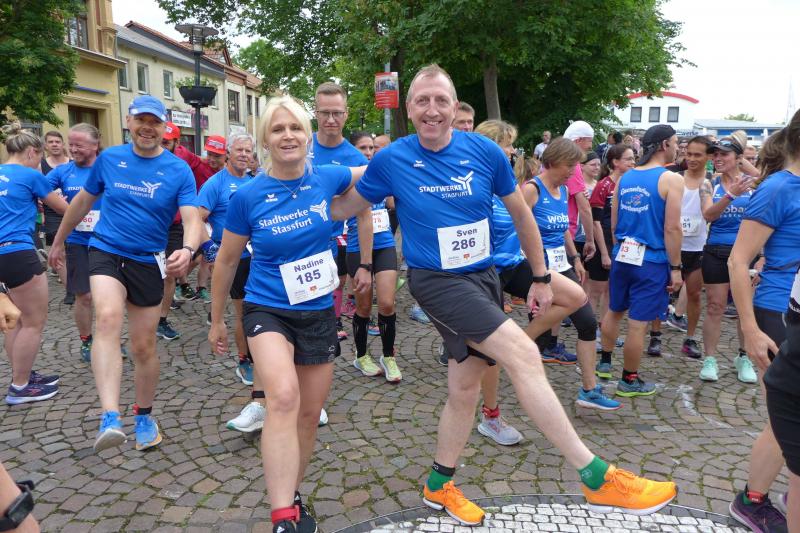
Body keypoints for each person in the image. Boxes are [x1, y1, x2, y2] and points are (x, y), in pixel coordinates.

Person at [331, 64, 677, 526]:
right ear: (409, 109)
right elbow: (345, 206)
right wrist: (303, 185)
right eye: (422, 101)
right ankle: (596, 476)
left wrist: (540, 276)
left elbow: (520, 213)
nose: (432, 110)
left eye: (440, 100)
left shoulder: (484, 152)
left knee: (464, 388)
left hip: (484, 275)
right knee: (524, 355)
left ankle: (439, 484)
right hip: (437, 282)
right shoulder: (393, 158)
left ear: (455, 106)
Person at [208, 95, 369, 533]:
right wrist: (217, 319)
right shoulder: (248, 196)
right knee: (281, 397)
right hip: (267, 308)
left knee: (308, 416)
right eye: (278, 129)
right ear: (265, 140)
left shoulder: (327, 177)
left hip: (317, 311)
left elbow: (375, 173)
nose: (287, 135)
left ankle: (292, 495)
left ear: (308, 136)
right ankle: (281, 517)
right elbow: (226, 260)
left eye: (295, 127)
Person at [49, 95, 203, 453]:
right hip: (106, 250)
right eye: (141, 121)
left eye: (155, 122)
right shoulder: (110, 159)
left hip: (148, 260)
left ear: (164, 128)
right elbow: (82, 203)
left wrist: (187, 248)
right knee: (106, 317)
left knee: (143, 347)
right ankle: (110, 416)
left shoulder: (178, 170)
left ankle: (144, 416)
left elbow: (192, 217)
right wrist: (58, 242)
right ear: (129, 123)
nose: (147, 128)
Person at [728, 120, 800, 532]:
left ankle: (793, 492)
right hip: (777, 312)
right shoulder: (777, 189)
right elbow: (739, 261)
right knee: (785, 416)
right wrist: (751, 330)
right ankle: (752, 501)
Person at [523, 137, 620, 410]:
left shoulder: (563, 190)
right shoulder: (532, 189)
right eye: (570, 166)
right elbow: (516, 226)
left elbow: (563, 227)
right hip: (539, 268)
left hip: (562, 264)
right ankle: (515, 353)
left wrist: (575, 257)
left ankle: (589, 389)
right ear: (553, 162)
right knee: (541, 331)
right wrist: (531, 268)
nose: (573, 172)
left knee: (587, 323)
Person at [599, 124, 684, 397]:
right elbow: (672, 228)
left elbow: (614, 223)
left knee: (614, 310)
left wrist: (619, 248)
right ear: (664, 145)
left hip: (623, 253)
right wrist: (676, 268)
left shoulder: (625, 178)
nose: (677, 147)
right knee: (638, 323)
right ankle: (629, 379)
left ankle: (605, 362)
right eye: (675, 142)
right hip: (651, 259)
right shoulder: (671, 179)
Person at [0, 124, 67, 405]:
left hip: (2, 254)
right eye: (39, 157)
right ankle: (20, 386)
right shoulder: (30, 175)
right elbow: (63, 208)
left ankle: (23, 374)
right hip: (19, 252)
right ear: (31, 152)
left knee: (16, 320)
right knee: (32, 322)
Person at [310, 82, 370, 341]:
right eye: (325, 113)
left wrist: (366, 264)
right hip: (294, 244)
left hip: (329, 247)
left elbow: (364, 215)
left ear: (346, 113)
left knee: (320, 320)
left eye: (337, 113)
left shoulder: (356, 160)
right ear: (316, 113)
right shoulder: (301, 146)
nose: (331, 119)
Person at [697, 131, 757, 383]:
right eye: (715, 155)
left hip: (746, 254)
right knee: (715, 307)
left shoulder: (754, 183)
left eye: (724, 154)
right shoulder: (709, 183)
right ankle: (710, 359)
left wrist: (743, 165)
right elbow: (708, 215)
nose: (717, 159)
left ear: (738, 158)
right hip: (717, 251)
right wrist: (730, 194)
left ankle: (744, 357)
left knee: (745, 310)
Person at [345, 133, 402, 382]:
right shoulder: (347, 177)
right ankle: (361, 355)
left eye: (371, 148)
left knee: (387, 303)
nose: (368, 152)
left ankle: (388, 356)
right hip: (357, 248)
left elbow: (391, 204)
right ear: (353, 149)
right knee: (364, 307)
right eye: (363, 148)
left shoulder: (381, 172)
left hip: (385, 243)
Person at [45, 123, 103, 363]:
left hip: (108, 242)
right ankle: (87, 340)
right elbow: (38, 189)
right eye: (71, 144)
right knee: (84, 296)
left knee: (110, 297)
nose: (74, 149)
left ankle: (108, 339)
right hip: (78, 241)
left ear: (95, 145)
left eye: (79, 145)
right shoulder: (63, 172)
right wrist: (54, 201)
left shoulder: (108, 169)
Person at [664, 136, 714, 359]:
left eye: (697, 155)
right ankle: (655, 336)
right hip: (671, 245)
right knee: (661, 292)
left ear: (708, 157)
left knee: (693, 294)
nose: (691, 158)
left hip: (697, 247)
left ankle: (690, 338)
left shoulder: (710, 182)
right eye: (689, 153)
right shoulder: (674, 178)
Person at [587, 144, 635, 369]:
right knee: (596, 290)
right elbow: (596, 222)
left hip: (621, 243)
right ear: (615, 162)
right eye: (628, 159)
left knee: (611, 291)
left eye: (634, 158)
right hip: (603, 242)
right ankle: (589, 331)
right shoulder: (604, 185)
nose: (633, 163)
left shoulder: (630, 184)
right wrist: (604, 252)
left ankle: (606, 330)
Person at [40, 130, 72, 304]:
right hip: (52, 212)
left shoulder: (72, 163)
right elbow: (37, 188)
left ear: (62, 144)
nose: (54, 144)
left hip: (73, 210)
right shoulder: (41, 165)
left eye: (57, 141)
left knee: (74, 248)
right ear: (46, 145)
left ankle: (79, 281)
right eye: (51, 142)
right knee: (59, 251)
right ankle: (70, 290)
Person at [562, 121, 596, 261]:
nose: (590, 146)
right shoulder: (572, 163)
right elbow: (584, 207)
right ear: (578, 140)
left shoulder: (552, 160)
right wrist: (590, 240)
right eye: (589, 141)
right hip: (565, 234)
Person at [574, 151, 601, 280]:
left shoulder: (599, 185)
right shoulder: (577, 186)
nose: (597, 167)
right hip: (577, 234)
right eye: (593, 164)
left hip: (594, 235)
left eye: (599, 165)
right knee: (577, 273)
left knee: (590, 275)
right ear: (582, 166)